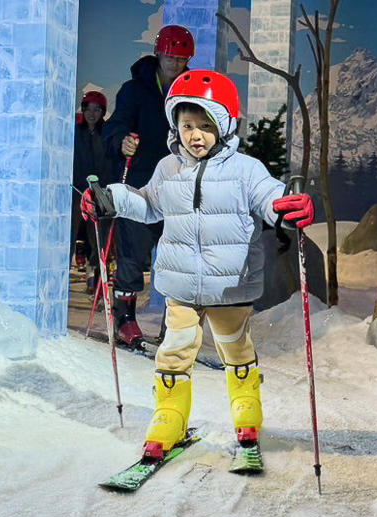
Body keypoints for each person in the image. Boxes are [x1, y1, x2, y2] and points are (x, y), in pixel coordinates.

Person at [82, 70, 314, 459]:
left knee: (235, 347)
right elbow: (148, 204)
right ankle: (169, 414)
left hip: (230, 286)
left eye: (206, 126)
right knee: (175, 348)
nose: (195, 135)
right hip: (182, 286)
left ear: (223, 126)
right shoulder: (168, 168)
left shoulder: (245, 169)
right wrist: (112, 199)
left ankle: (246, 411)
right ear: (175, 124)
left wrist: (285, 208)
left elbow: (269, 196)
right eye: (187, 125)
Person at [101, 24, 195, 345]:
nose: (174, 61)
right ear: (159, 53)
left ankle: (174, 324)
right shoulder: (134, 90)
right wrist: (122, 141)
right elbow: (113, 128)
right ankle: (124, 318)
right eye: (170, 54)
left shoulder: (190, 94)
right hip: (140, 183)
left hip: (177, 187)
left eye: (181, 57)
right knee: (133, 252)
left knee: (175, 258)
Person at [72, 91, 110, 290]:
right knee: (70, 235)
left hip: (100, 192)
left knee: (100, 241)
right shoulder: (76, 132)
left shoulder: (108, 132)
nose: (92, 114)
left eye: (97, 109)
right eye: (88, 109)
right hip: (77, 190)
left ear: (103, 111)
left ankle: (97, 281)